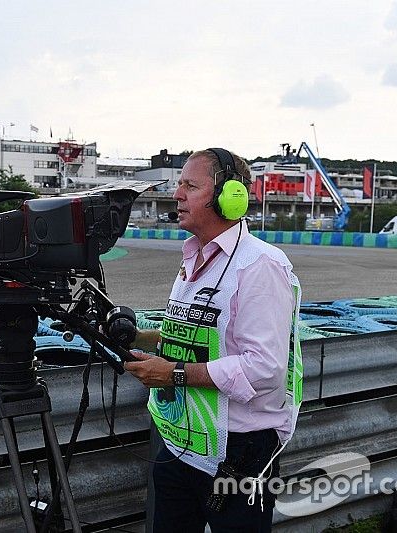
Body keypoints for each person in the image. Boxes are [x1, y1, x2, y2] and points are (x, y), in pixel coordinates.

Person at [125, 148, 302, 532]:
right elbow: (200, 335)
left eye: (190, 185)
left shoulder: (260, 266)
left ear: (228, 196)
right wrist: (140, 337)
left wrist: (173, 374)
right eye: (179, 184)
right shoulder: (194, 257)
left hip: (240, 451)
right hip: (180, 445)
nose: (177, 194)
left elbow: (264, 370)